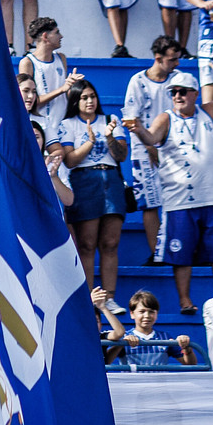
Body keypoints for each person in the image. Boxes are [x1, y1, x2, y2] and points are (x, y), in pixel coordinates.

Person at [130, 61, 213, 316]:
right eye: (173, 92)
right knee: (180, 253)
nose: (177, 96)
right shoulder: (166, 117)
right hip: (180, 200)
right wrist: (139, 129)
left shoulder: (209, 111)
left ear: (195, 93)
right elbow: (151, 138)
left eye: (183, 91)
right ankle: (185, 301)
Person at [58, 79, 131, 308]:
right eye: (84, 97)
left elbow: (121, 155)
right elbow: (69, 160)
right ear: (76, 101)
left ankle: (109, 297)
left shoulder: (110, 120)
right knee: (87, 243)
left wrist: (108, 137)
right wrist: (90, 143)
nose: (90, 101)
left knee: (110, 242)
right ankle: (90, 297)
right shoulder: (68, 124)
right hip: (84, 181)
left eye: (93, 96)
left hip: (110, 179)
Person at [121, 36, 183, 264]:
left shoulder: (178, 80)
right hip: (143, 150)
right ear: (158, 58)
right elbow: (129, 118)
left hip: (174, 148)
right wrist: (149, 145)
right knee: (150, 203)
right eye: (172, 59)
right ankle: (157, 254)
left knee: (177, 201)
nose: (177, 64)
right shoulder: (138, 82)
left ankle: (177, 249)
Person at [103, 289, 201, 370]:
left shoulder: (165, 337)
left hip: (160, 389)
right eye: (142, 311)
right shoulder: (125, 337)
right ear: (132, 314)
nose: (147, 316)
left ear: (156, 314)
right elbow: (106, 361)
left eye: (151, 312)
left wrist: (186, 348)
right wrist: (120, 345)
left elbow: (190, 364)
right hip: (132, 389)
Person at [17, 17, 80, 134]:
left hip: (63, 125)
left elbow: (66, 93)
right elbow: (26, 100)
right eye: (57, 32)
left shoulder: (61, 58)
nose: (61, 36)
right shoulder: (28, 62)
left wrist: (73, 88)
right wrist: (62, 89)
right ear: (45, 36)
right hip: (41, 126)